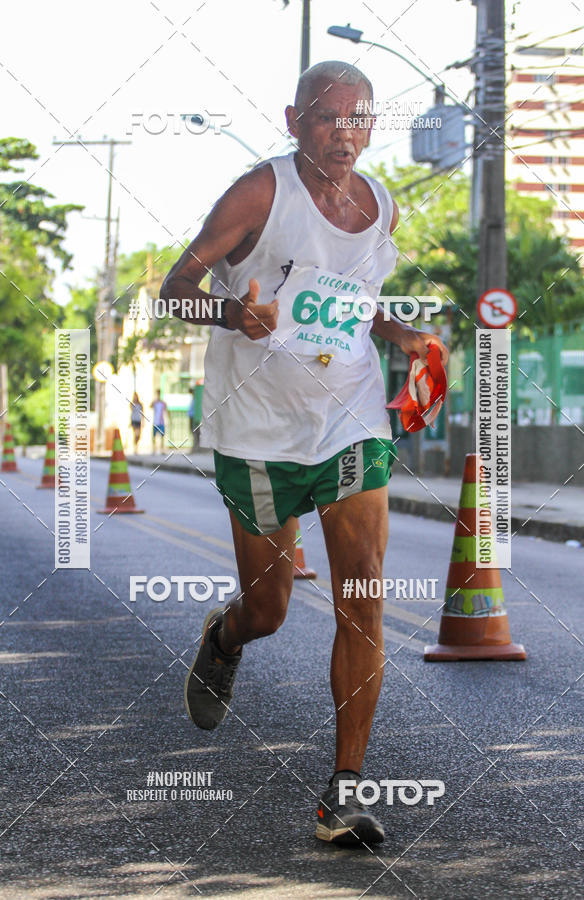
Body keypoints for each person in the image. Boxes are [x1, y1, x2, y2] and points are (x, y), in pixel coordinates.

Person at [161, 60, 449, 846]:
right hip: (256, 432)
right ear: (295, 121)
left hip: (349, 420)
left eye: (359, 119)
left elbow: (358, 297)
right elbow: (173, 286)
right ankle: (225, 637)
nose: (345, 134)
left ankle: (344, 792)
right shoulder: (260, 192)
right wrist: (230, 313)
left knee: (363, 596)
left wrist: (406, 336)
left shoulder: (378, 202)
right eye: (328, 118)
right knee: (272, 606)